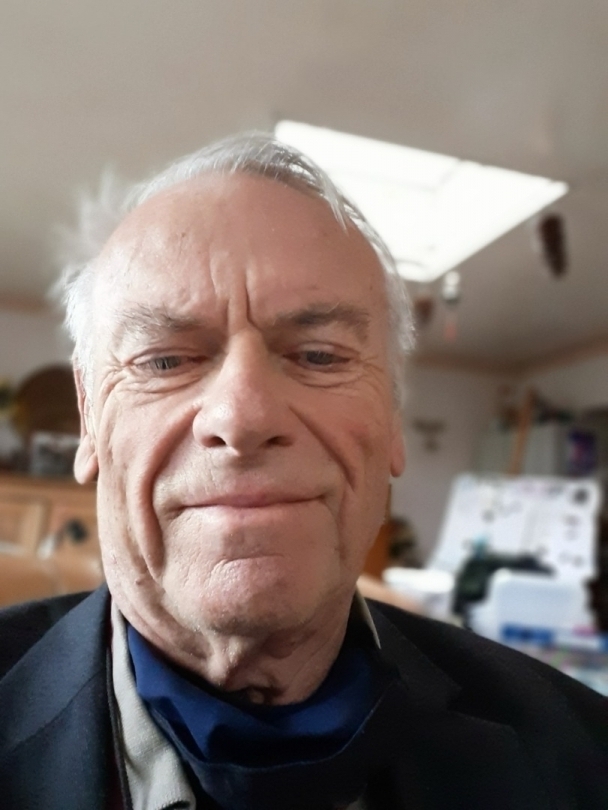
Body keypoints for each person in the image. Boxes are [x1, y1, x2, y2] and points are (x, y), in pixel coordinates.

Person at [0, 133, 606, 810]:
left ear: (393, 417)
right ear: (90, 419)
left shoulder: (585, 755)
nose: (244, 415)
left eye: (319, 355)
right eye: (165, 360)